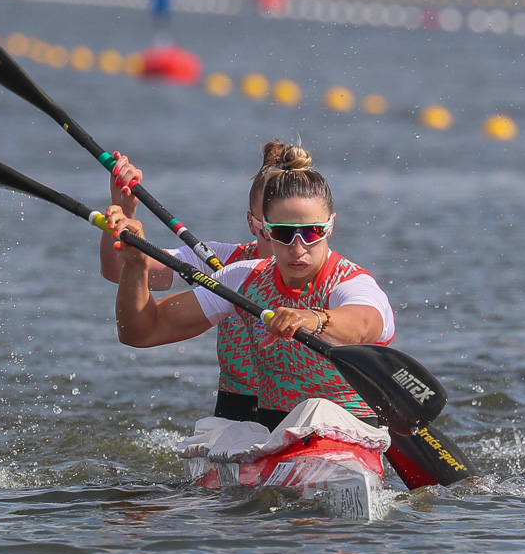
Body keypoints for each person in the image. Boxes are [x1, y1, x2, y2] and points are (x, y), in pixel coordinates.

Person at [104, 147, 395, 428]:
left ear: (330, 226)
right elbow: (140, 331)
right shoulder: (241, 277)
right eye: (282, 233)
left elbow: (364, 322)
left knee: (316, 410)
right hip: (261, 425)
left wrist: (311, 318)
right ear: (262, 227)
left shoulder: (351, 282)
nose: (297, 247)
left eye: (311, 232)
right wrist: (135, 266)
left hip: (346, 428)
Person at [97, 143, 293, 424]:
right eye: (272, 230)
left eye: (299, 231)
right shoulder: (227, 263)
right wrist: (124, 209)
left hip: (303, 411)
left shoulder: (335, 277)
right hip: (237, 411)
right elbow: (117, 270)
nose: (289, 246)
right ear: (252, 224)